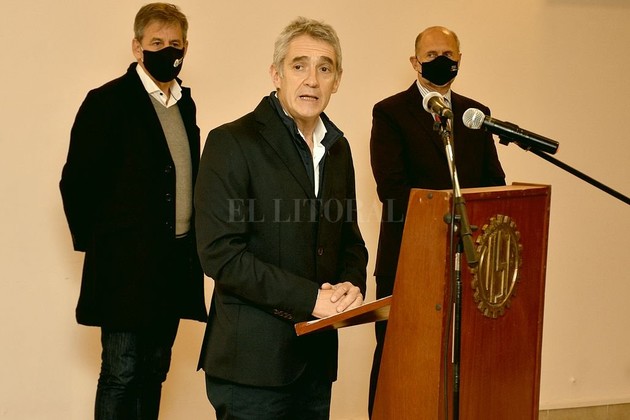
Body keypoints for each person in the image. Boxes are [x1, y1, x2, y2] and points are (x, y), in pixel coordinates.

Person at [194, 17, 368, 420]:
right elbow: (221, 255)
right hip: (251, 368)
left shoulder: (338, 149)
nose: (312, 80)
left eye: (324, 68)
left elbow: (349, 240)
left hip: (316, 363)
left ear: (337, 80)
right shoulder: (231, 142)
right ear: (276, 74)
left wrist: (350, 285)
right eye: (299, 66)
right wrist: (311, 299)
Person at [59, 3, 206, 419]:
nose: (167, 50)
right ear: (137, 47)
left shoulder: (185, 104)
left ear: (185, 48)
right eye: (157, 42)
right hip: (124, 268)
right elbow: (76, 182)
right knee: (121, 372)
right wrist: (105, 246)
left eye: (175, 43)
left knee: (155, 370)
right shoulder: (107, 101)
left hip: (173, 264)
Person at [368, 26, 506, 416]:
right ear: (415, 62)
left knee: (464, 361)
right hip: (409, 259)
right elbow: (392, 189)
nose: (440, 61)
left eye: (448, 54)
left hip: (469, 263)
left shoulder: (476, 116)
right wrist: (444, 217)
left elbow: (494, 184)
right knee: (397, 359)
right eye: (431, 55)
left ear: (460, 60)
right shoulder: (390, 112)